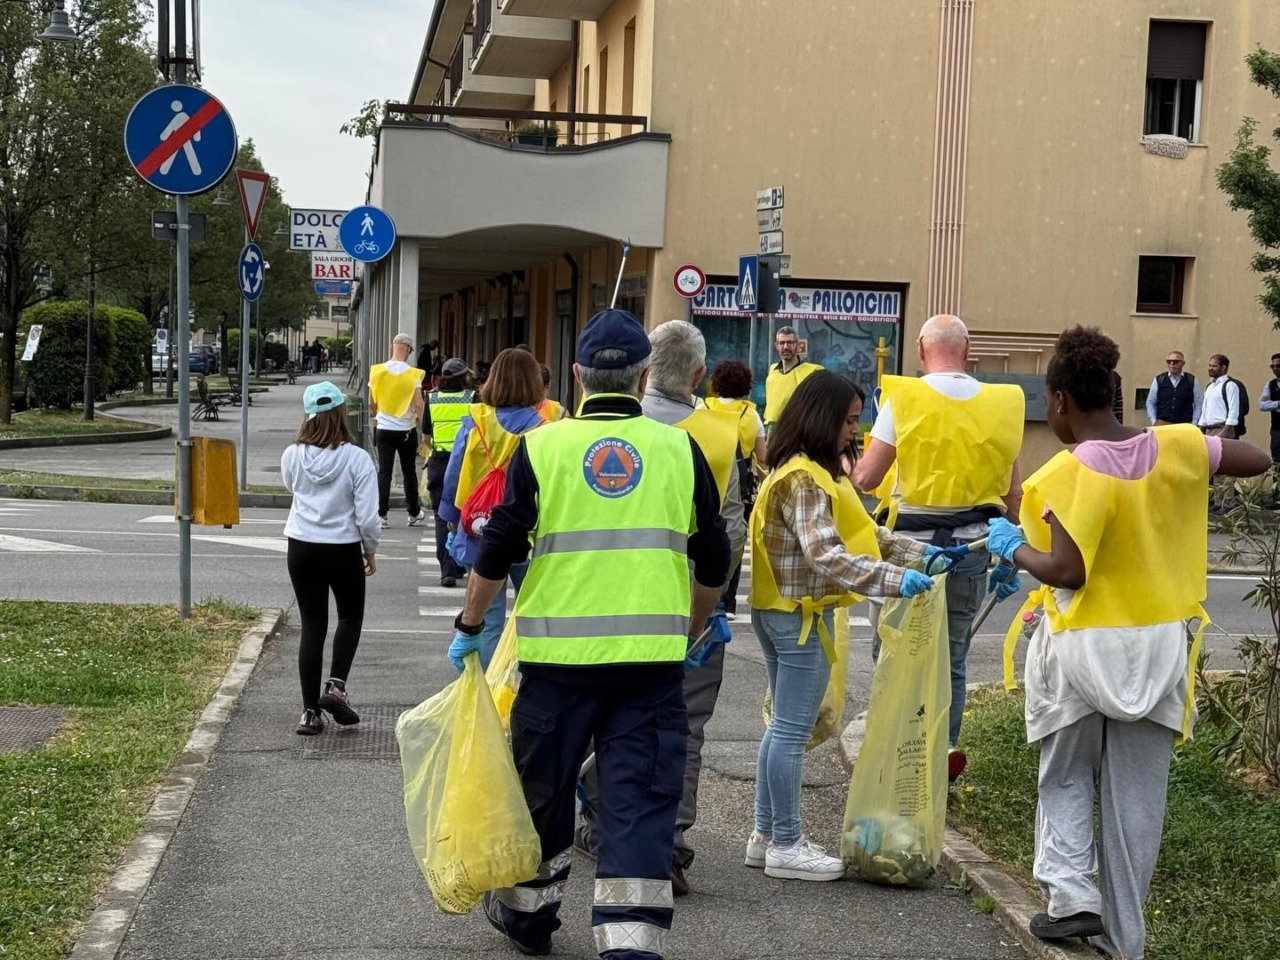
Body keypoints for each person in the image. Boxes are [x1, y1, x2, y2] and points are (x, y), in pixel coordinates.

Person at [447, 308, 730, 960]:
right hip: (651, 668)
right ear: (641, 377)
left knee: (540, 795)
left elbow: (497, 548)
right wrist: (689, 629)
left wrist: (469, 626)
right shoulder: (679, 449)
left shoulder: (542, 447)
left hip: (555, 666)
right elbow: (713, 557)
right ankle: (629, 945)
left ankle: (528, 922)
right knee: (637, 805)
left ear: (574, 376)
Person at [984, 326, 1269, 957]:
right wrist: (1196, 448)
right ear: (1114, 394)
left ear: (1059, 401)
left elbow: (1068, 571)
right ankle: (1125, 938)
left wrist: (1015, 547)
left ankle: (1071, 898)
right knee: (1137, 800)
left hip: (1083, 645)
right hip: (1162, 643)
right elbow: (1258, 460)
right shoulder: (1175, 447)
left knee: (1065, 774)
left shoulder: (1067, 471)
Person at [576, 320, 746, 897]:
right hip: (687, 611)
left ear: (643, 371)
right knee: (685, 730)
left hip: (602, 603)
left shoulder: (612, 426)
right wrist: (717, 603)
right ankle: (668, 844)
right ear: (699, 374)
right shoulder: (721, 436)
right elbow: (729, 533)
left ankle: (603, 823)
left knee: (603, 721)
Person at [749, 370, 938, 881]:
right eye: (850, 421)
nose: (854, 432)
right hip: (800, 622)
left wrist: (922, 554)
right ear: (823, 418)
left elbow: (864, 531)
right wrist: (895, 580)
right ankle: (786, 843)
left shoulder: (798, 469)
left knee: (780, 729)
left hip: (778, 614)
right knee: (791, 731)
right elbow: (826, 553)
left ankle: (765, 833)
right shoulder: (806, 480)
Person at [853, 314, 1024, 778]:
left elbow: (867, 476)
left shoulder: (904, 399)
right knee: (953, 655)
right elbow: (1013, 493)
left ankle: (892, 752)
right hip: (974, 547)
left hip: (909, 549)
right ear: (967, 352)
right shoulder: (1002, 404)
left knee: (894, 650)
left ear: (922, 351)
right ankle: (941, 754)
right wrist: (1012, 550)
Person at [280, 382, 380, 736]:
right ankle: (336, 686)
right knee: (350, 616)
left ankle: (309, 713)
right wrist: (369, 548)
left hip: (302, 545)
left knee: (312, 624)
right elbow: (368, 515)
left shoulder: (293, 455)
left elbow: (292, 487)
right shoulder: (357, 458)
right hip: (342, 547)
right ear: (342, 413)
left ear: (308, 416)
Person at [438, 347, 546, 667]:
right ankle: (525, 681)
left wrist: (452, 520)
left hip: (480, 526)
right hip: (531, 531)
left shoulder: (475, 421)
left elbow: (455, 471)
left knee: (489, 617)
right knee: (534, 613)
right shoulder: (544, 427)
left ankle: (486, 691)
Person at [706, 359, 768, 618]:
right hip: (740, 482)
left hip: (710, 476)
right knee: (735, 536)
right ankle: (727, 600)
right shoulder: (750, 414)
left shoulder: (704, 407)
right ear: (746, 386)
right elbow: (763, 455)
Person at [368, 332, 429, 528]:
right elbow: (419, 404)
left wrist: (379, 414)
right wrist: (423, 426)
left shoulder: (376, 371)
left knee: (384, 471)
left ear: (391, 346)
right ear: (409, 350)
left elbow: (371, 402)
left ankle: (381, 515)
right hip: (406, 430)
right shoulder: (413, 374)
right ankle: (413, 512)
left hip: (383, 428)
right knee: (409, 471)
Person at [423, 358, 473, 587]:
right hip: (466, 463)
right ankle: (460, 561)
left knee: (442, 517)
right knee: (466, 513)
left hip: (439, 461)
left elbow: (425, 437)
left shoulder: (431, 399)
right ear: (464, 377)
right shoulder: (473, 399)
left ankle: (447, 569)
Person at [763, 325, 823, 431]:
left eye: (790, 342)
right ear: (776, 346)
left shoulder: (813, 371)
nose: (785, 347)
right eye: (782, 343)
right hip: (773, 430)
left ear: (798, 345)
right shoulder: (773, 370)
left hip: (798, 430)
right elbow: (772, 407)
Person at [1145, 350, 1202, 426]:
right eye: (1169, 361)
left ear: (1183, 363)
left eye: (1175, 361)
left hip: (1184, 424)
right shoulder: (1159, 380)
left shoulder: (1192, 380)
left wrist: (1194, 423)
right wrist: (1154, 421)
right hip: (1162, 423)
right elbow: (1150, 401)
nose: (1172, 364)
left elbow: (1198, 403)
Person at [1198, 353, 1243, 439]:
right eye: (1210, 365)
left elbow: (1233, 411)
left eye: (1214, 366)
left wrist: (1224, 432)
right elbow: (1205, 410)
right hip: (1208, 430)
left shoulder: (1230, 385)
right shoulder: (1210, 386)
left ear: (1223, 367)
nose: (1210, 368)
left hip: (1222, 429)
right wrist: (1201, 430)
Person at [1259, 353, 1280, 463]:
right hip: (1277, 429)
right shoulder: (1270, 385)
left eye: (1278, 366)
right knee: (1277, 461)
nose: (1275, 369)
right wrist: (1277, 404)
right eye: (1273, 366)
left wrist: (1272, 404)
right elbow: (1262, 405)